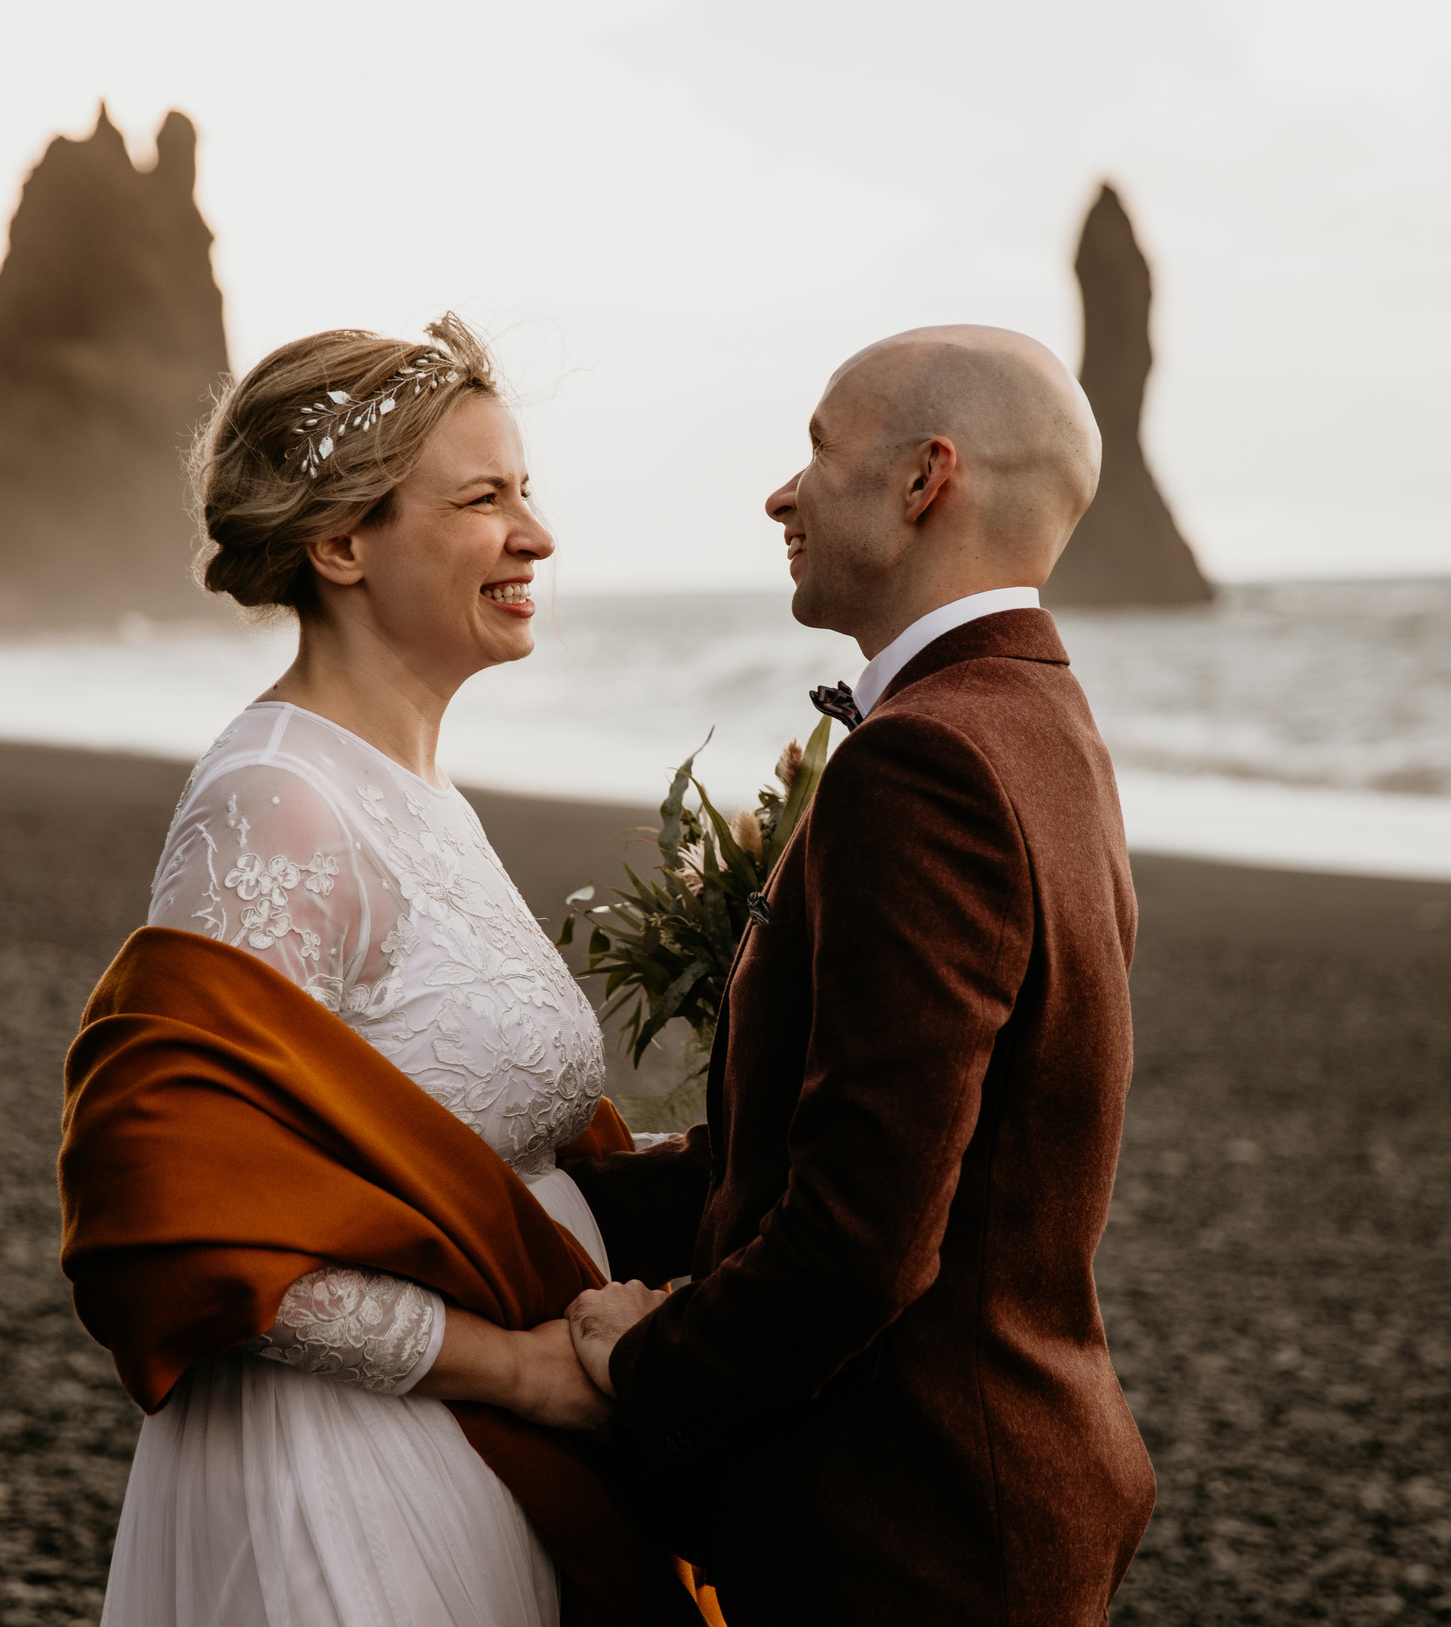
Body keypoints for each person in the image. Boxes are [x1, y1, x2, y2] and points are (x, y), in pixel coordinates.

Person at [64, 317, 692, 1627]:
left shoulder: (412, 784)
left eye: (527, 490)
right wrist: (513, 1372)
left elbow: (456, 1113)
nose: (537, 535)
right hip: (345, 1477)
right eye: (483, 498)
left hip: (472, 1453)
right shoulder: (278, 804)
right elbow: (175, 1204)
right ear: (341, 544)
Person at [564, 326, 1158, 1623]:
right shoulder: (1046, 722)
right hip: (1010, 1500)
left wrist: (649, 1363)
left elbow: (863, 1237)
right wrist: (569, 1196)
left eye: (819, 452)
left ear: (922, 480)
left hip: (916, 1536)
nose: (784, 493)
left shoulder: (927, 762)